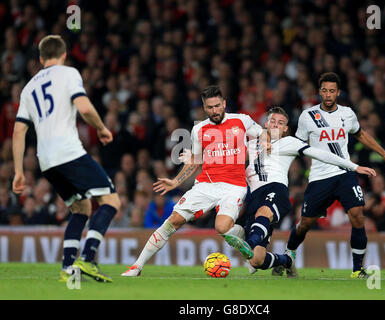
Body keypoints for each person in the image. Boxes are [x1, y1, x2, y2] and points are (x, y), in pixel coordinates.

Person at [121, 85, 265, 276]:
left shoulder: (242, 120)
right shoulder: (199, 129)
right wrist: (176, 181)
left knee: (222, 227)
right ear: (204, 108)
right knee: (173, 221)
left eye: (217, 106)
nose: (215, 111)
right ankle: (137, 266)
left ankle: (243, 243)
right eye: (210, 107)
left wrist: (265, 143)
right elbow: (195, 160)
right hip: (205, 185)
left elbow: (262, 133)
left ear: (224, 104)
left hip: (234, 186)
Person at [12, 35, 120, 283]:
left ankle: (68, 270)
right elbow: (83, 107)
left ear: (40, 59)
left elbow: (19, 130)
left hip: (46, 161)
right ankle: (88, 258)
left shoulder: (28, 87)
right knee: (111, 200)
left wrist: (19, 171)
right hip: (68, 151)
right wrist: (102, 128)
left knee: (80, 208)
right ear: (63, 55)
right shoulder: (68, 73)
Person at [285, 72, 385, 279]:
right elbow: (297, 146)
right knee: (305, 224)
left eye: (332, 91)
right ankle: (289, 253)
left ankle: (357, 269)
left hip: (345, 173)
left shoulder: (347, 114)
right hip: (319, 177)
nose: (328, 95)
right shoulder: (307, 116)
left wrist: (384, 154)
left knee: (357, 215)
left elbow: (361, 134)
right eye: (324, 90)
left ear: (338, 92)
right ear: (320, 92)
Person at [244, 107, 376, 275]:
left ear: (286, 129)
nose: (276, 125)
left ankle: (248, 242)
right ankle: (286, 260)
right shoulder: (251, 141)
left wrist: (353, 166)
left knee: (263, 214)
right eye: (273, 121)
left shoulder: (290, 142)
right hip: (254, 195)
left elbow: (322, 154)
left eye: (281, 123)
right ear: (266, 123)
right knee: (257, 260)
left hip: (276, 190)